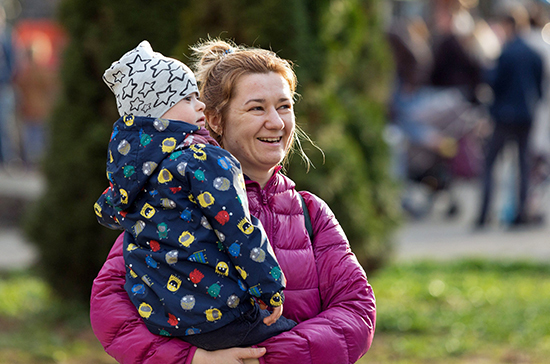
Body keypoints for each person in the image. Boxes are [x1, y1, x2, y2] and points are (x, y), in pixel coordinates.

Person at [90, 39, 376, 364]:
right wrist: (193, 360)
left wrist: (265, 358)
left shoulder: (311, 212)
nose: (277, 122)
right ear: (213, 119)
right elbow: (109, 309)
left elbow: (356, 312)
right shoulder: (168, 201)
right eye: (257, 108)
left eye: (284, 106)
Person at [94, 40, 295, 351]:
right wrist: (270, 287)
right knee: (288, 339)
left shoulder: (134, 176)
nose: (199, 105)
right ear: (158, 114)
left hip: (164, 321)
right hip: (222, 315)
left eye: (285, 105)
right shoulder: (203, 161)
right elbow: (239, 229)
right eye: (188, 98)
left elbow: (108, 211)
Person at [475, 13, 543, 227]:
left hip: (504, 115)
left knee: (490, 164)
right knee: (523, 165)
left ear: (509, 26)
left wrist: (487, 69)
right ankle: (521, 213)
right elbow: (539, 89)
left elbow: (494, 83)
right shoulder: (534, 53)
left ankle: (484, 214)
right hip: (526, 115)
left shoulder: (506, 53)